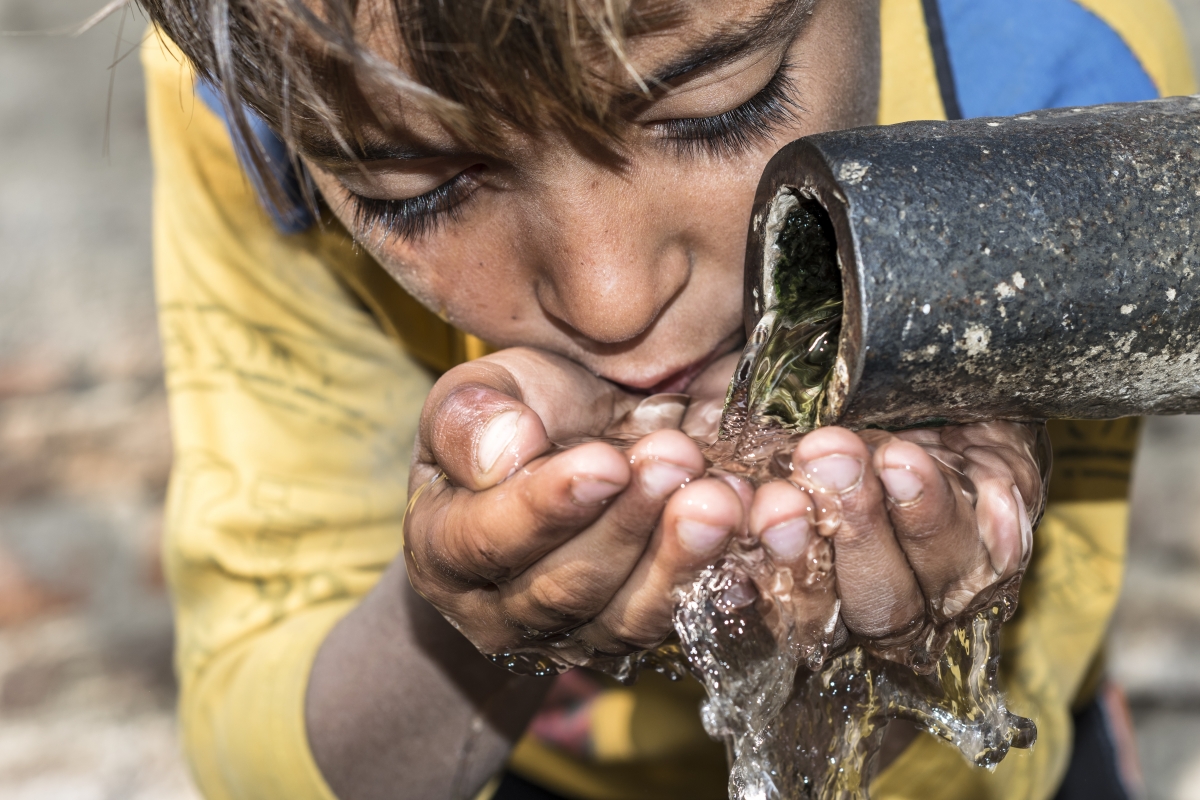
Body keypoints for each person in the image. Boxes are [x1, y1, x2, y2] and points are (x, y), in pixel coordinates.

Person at [135, 0, 1194, 798]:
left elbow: (1009, 746)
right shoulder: (273, 72)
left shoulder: (1070, 85)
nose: (612, 300)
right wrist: (468, 611)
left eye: (714, 105)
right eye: (420, 189)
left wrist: (911, 664)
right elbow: (257, 731)